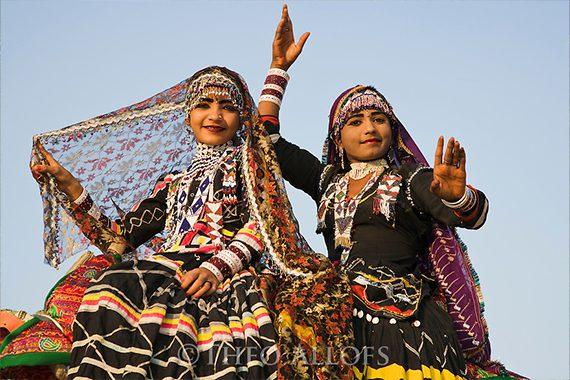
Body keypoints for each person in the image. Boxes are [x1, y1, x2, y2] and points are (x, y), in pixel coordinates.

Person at [258, 6, 525, 379]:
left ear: (392, 130)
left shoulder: (410, 181)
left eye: (378, 119)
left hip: (406, 323)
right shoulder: (327, 182)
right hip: (339, 315)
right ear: (338, 138)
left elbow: (472, 214)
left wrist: (456, 195)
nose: (369, 127)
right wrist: (278, 69)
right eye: (356, 121)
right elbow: (266, 139)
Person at [29, 66, 281, 379]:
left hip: (226, 269)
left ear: (242, 119)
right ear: (187, 118)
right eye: (204, 105)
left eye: (227, 107)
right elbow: (118, 241)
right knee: (109, 286)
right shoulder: (172, 183)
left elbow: (267, 222)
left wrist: (216, 268)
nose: (215, 115)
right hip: (170, 269)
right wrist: (70, 185)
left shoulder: (250, 165)